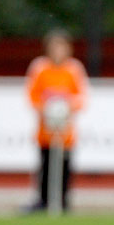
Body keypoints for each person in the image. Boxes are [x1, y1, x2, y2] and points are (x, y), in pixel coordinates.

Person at [25, 29, 89, 212]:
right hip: (45, 128)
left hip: (66, 129)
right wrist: (45, 109)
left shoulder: (74, 69)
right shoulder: (39, 67)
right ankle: (43, 200)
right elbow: (32, 94)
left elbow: (81, 96)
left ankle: (63, 200)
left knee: (65, 165)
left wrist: (66, 108)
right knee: (45, 164)